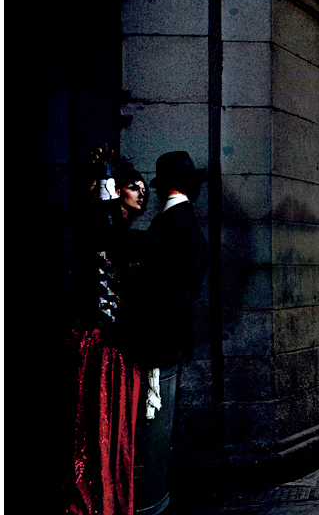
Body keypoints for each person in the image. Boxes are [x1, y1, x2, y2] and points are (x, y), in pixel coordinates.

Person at [65, 161, 148, 515]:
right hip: (103, 345)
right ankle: (99, 502)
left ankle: (110, 498)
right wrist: (103, 193)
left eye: (144, 187)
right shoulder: (103, 230)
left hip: (120, 345)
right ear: (115, 191)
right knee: (99, 428)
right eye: (133, 186)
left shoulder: (123, 232)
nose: (141, 192)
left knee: (117, 433)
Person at [132, 151, 208, 515]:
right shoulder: (185, 220)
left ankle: (153, 500)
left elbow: (163, 281)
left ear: (168, 186)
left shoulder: (172, 222)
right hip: (171, 332)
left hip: (161, 335)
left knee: (153, 423)